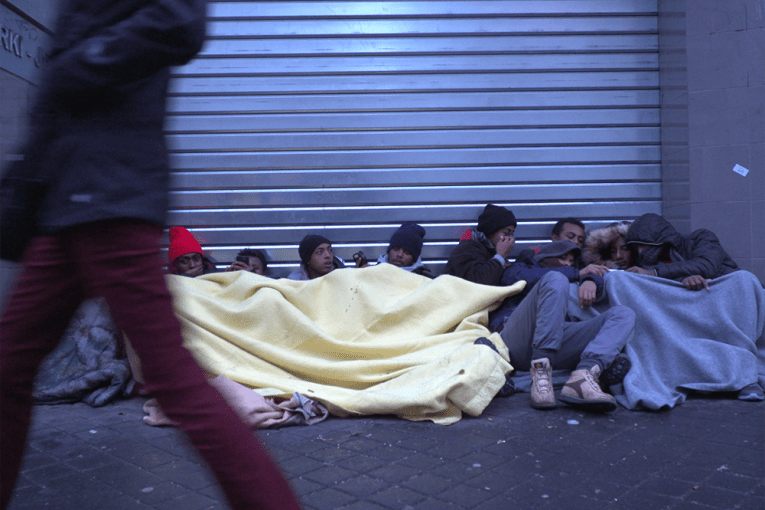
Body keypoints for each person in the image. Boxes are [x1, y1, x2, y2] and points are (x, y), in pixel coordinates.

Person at [0, 2, 301, 509]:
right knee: (9, 367)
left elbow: (179, 20)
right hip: (72, 198)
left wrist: (76, 64)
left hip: (107, 195)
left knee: (172, 377)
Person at [496, 241, 636, 412]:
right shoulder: (522, 266)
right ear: (544, 258)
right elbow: (514, 278)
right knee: (557, 279)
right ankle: (541, 370)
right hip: (516, 340)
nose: (568, 264)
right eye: (563, 258)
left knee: (624, 314)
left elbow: (598, 277)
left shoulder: (574, 275)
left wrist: (590, 279)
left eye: (571, 261)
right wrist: (576, 273)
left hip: (555, 340)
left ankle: (583, 377)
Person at [624, 213, 738, 290]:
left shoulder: (701, 238)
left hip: (726, 293)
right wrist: (683, 280)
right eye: (635, 247)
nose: (639, 251)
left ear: (658, 241)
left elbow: (706, 266)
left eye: (642, 245)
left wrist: (655, 273)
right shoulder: (645, 263)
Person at [443, 204, 516, 285]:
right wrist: (500, 257)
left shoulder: (491, 251)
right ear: (491, 231)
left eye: (512, 234)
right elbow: (478, 282)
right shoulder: (466, 248)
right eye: (506, 232)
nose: (510, 238)